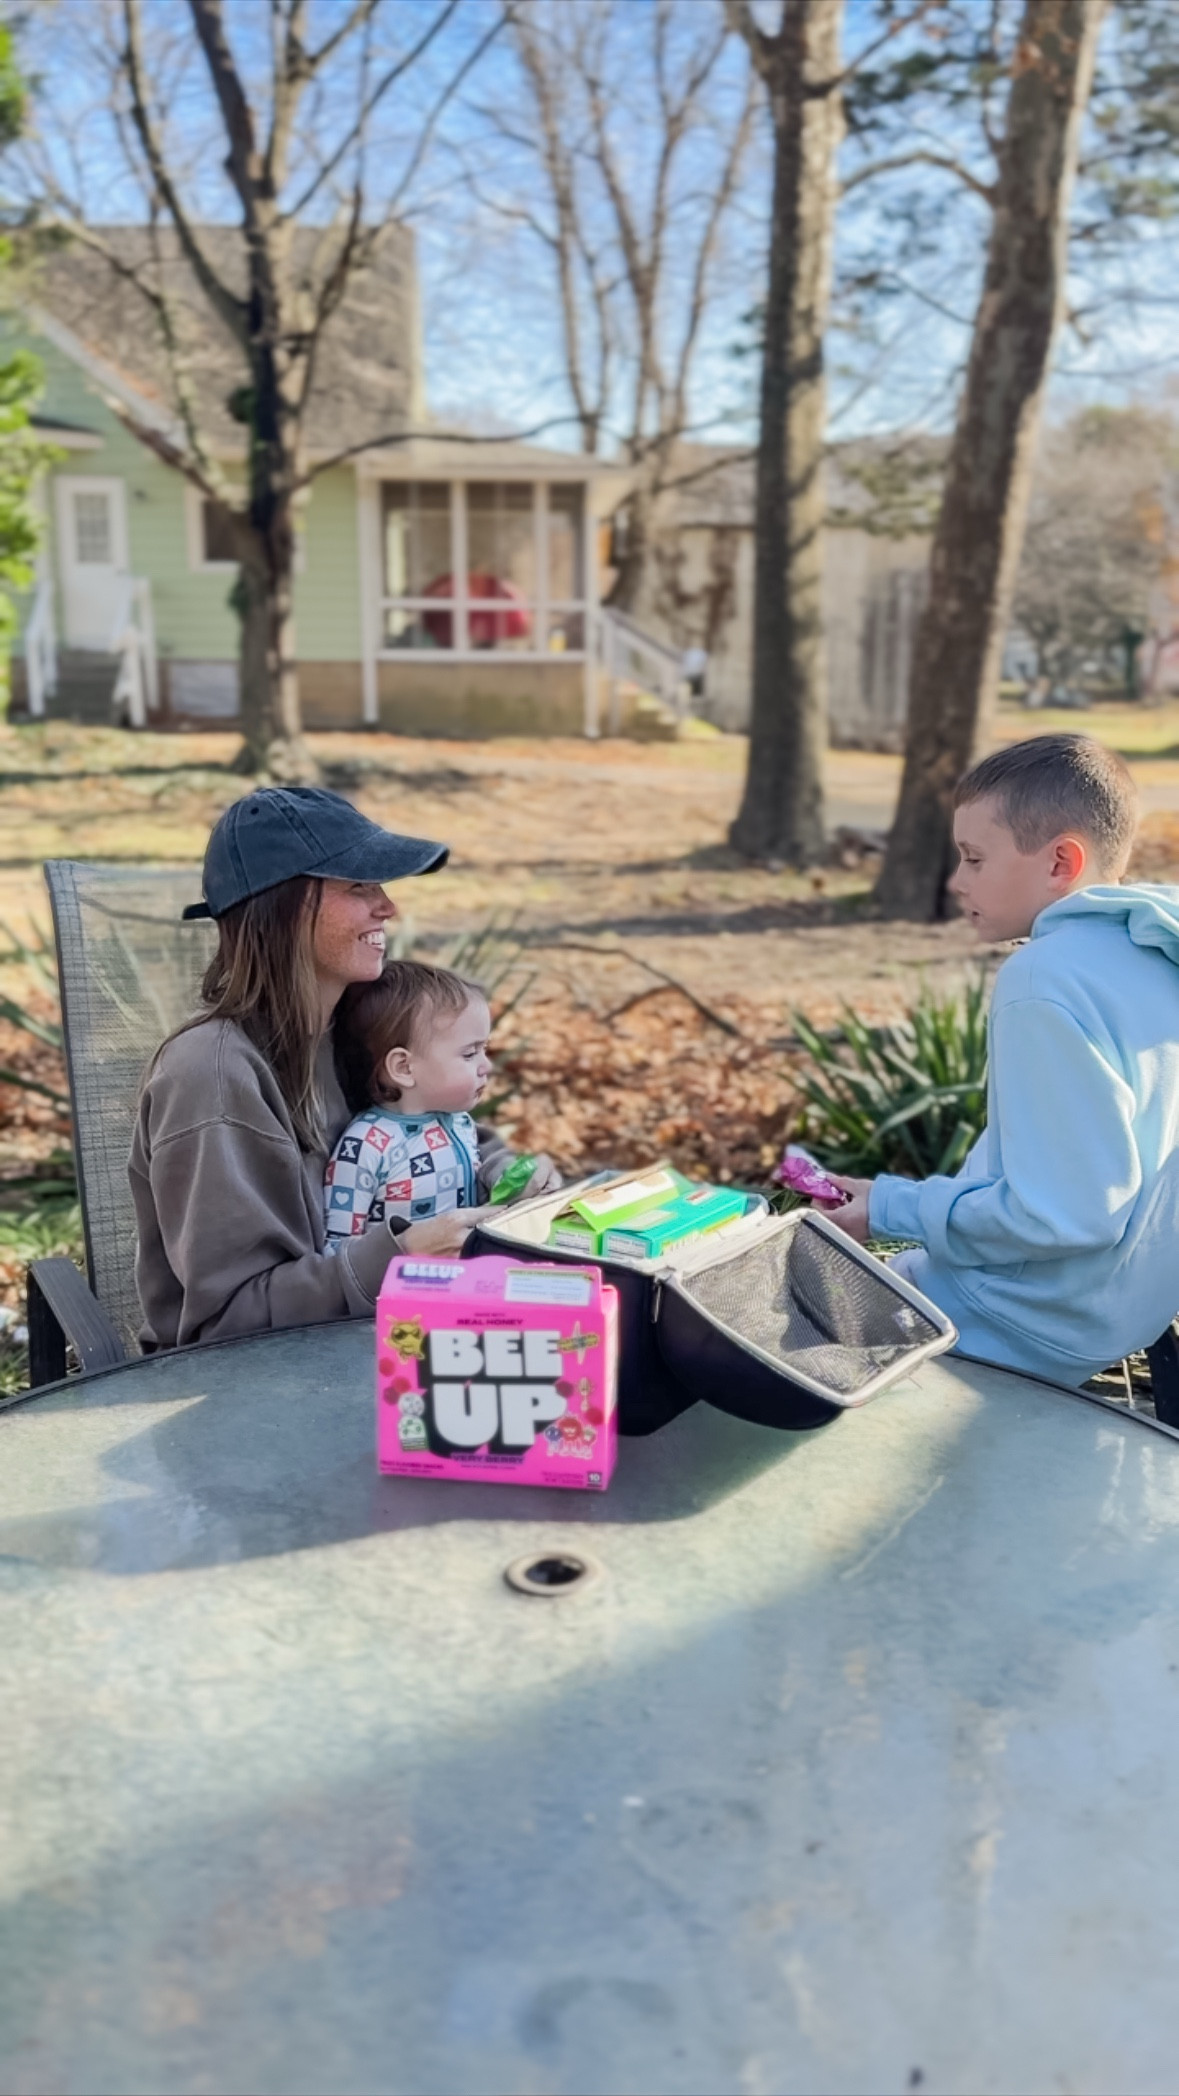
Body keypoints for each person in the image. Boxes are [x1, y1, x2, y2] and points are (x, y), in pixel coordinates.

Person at [823, 734, 1179, 1387]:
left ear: (1059, 863)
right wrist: (889, 1198)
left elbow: (1063, 1216)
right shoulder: (1153, 955)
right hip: (1113, 1314)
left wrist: (886, 1212)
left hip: (1013, 1325)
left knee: (769, 1312)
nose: (956, 882)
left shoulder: (1045, 978)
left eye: (973, 858)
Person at [130, 786, 503, 1351]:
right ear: (283, 905)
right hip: (244, 1389)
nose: (388, 907)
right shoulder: (211, 1076)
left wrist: (503, 1171)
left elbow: (424, 1126)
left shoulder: (348, 1028)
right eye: (359, 886)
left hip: (372, 1338)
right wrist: (398, 1256)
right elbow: (223, 1325)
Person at [325, 958, 560, 1240]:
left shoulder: (458, 1123)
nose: (487, 1066)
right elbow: (338, 1246)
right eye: (469, 1054)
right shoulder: (366, 1145)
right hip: (398, 1284)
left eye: (484, 1049)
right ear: (404, 1068)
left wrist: (512, 1184)